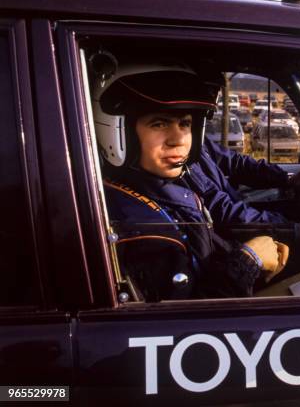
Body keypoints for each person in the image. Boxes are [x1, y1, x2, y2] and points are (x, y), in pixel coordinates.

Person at [93, 61, 289, 301]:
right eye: (159, 123)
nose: (178, 139)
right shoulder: (138, 226)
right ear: (118, 131)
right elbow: (191, 325)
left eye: (185, 123)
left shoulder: (162, 185)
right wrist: (248, 260)